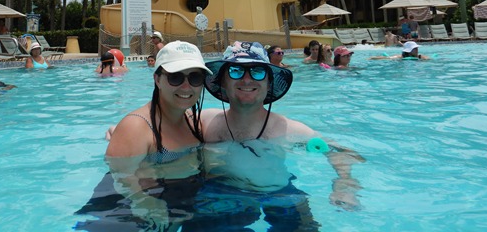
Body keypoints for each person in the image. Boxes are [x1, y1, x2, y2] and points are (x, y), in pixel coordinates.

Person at [196, 41, 364, 228]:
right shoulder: (204, 122)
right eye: (236, 71)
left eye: (258, 71)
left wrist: (344, 184)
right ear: (222, 82)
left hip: (279, 194)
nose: (247, 79)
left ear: (269, 84)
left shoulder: (289, 129)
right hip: (221, 192)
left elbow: (341, 151)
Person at [77, 41, 211, 230]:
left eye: (195, 78)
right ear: (157, 79)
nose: (186, 86)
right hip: (125, 208)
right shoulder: (136, 127)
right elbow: (121, 176)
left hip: (171, 198)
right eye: (175, 77)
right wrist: (144, 201)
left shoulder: (194, 122)